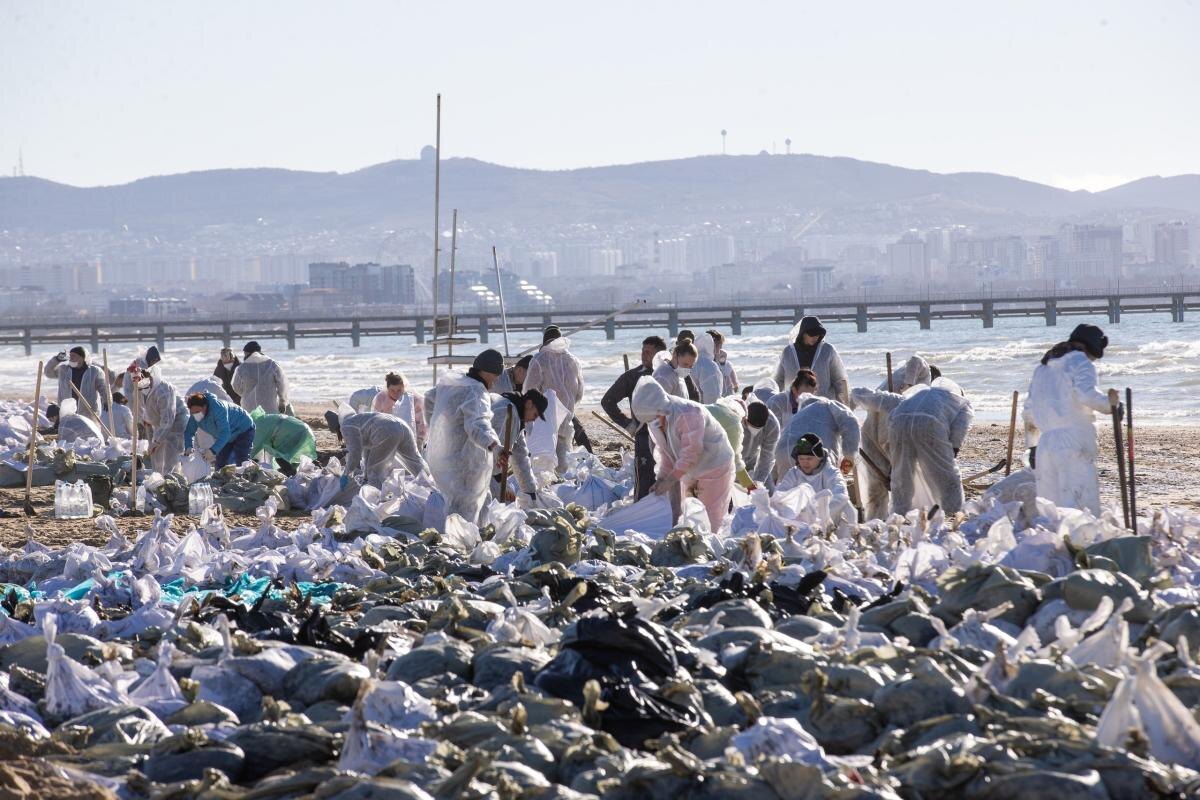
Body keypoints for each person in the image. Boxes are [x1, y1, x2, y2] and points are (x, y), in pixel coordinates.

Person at [1023, 323, 1114, 517]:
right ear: (1091, 349)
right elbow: (1086, 395)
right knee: (1080, 506)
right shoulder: (1080, 362)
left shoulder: (1042, 369)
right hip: (1073, 442)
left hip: (1045, 445)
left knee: (1050, 511)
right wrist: (1111, 406)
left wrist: (1032, 446)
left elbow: (1029, 411)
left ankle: (1054, 537)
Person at [631, 377, 735, 532]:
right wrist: (662, 479)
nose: (653, 421)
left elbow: (691, 452)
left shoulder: (687, 413)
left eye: (654, 417)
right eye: (650, 420)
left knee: (710, 516)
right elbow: (666, 454)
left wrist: (670, 480)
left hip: (714, 464)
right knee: (689, 514)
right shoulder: (655, 422)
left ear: (661, 409)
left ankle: (711, 544)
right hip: (689, 470)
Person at [425, 349, 505, 525]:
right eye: (495, 375)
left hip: (448, 456)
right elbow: (477, 424)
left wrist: (438, 429)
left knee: (476, 499)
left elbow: (429, 399)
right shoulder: (476, 391)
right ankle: (461, 537)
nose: (496, 381)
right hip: (467, 460)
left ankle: (475, 533)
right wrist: (494, 445)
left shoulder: (454, 384)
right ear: (486, 371)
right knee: (466, 504)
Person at [877, 378, 974, 516]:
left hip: (898, 423)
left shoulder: (920, 394)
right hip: (930, 424)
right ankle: (953, 513)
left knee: (901, 477)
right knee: (948, 478)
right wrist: (952, 451)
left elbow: (893, 416)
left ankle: (899, 515)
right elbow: (960, 427)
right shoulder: (962, 403)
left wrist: (894, 462)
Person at [852, 355, 932, 520]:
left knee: (886, 480)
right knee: (883, 482)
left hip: (876, 431)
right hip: (883, 431)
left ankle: (886, 519)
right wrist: (909, 385)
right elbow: (916, 360)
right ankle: (879, 521)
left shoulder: (894, 384)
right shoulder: (925, 377)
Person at [602, 336, 668, 500]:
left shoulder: (672, 375)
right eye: (642, 351)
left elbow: (692, 399)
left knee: (669, 479)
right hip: (644, 435)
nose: (643, 355)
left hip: (670, 436)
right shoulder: (633, 377)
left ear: (660, 354)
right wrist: (628, 424)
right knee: (644, 479)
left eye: (648, 352)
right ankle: (641, 508)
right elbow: (608, 401)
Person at [523, 326, 585, 473]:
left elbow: (529, 390)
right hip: (566, 415)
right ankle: (563, 481)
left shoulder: (539, 359)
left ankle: (551, 483)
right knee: (564, 456)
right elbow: (580, 392)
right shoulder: (573, 360)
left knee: (543, 459)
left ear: (545, 341)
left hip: (544, 417)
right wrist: (568, 407)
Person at [774, 382, 860, 483]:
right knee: (826, 487)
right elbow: (851, 422)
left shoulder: (799, 415)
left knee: (787, 490)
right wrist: (849, 456)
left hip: (783, 452)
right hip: (814, 453)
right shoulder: (829, 405)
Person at [776, 434, 854, 522]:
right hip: (798, 523)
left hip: (826, 523)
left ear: (819, 457)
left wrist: (816, 513)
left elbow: (841, 495)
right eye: (801, 459)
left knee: (847, 505)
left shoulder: (831, 473)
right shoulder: (793, 473)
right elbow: (780, 494)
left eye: (809, 459)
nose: (805, 463)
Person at [489, 389, 548, 503]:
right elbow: (491, 449)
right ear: (529, 404)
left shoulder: (518, 418)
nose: (533, 420)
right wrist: (500, 481)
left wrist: (531, 491)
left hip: (491, 470)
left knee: (507, 502)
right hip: (477, 466)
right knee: (501, 504)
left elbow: (521, 457)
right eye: (535, 414)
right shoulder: (506, 410)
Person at [773, 315, 848, 403]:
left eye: (818, 334)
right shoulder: (788, 352)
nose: (815, 337)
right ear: (803, 333)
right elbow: (779, 380)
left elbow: (840, 380)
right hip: (794, 405)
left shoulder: (827, 350)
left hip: (823, 404)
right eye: (811, 334)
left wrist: (844, 405)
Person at [341, 411, 427, 488]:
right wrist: (366, 477)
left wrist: (346, 474)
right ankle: (430, 483)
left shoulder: (346, 425)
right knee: (415, 461)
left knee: (374, 472)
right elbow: (368, 451)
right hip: (402, 425)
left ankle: (374, 496)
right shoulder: (359, 419)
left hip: (385, 430)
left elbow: (355, 453)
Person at [183, 391, 256, 469]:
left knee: (241, 459)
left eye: (197, 412)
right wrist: (189, 446)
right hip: (228, 435)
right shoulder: (195, 416)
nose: (195, 414)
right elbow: (189, 432)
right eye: (192, 412)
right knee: (221, 462)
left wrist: (212, 451)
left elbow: (225, 433)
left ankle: (248, 474)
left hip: (243, 428)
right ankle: (223, 476)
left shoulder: (218, 409)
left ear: (205, 406)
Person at [133, 369, 187, 475]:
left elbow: (168, 420)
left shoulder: (163, 391)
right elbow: (141, 409)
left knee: (171, 455)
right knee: (156, 455)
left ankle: (170, 478)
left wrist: (156, 441)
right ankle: (158, 476)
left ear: (150, 378)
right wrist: (145, 420)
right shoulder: (139, 389)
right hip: (158, 423)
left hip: (176, 423)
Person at [43, 347, 109, 426]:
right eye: (70, 356)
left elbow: (103, 387)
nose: (71, 358)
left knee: (88, 430)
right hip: (68, 410)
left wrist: (107, 400)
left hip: (88, 410)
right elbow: (48, 372)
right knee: (69, 430)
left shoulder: (94, 371)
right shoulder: (64, 370)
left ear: (82, 357)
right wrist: (57, 359)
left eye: (74, 356)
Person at [251, 412, 319, 478]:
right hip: (303, 430)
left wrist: (247, 460)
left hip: (294, 432)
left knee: (280, 457)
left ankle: (290, 474)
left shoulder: (257, 426)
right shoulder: (263, 419)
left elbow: (253, 448)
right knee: (288, 458)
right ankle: (292, 474)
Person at [232, 341, 288, 414]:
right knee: (269, 421)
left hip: (249, 406)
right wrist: (282, 400)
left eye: (245, 353)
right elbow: (282, 383)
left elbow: (236, 386)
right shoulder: (272, 364)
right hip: (269, 406)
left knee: (251, 421)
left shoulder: (242, 367)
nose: (244, 355)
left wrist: (246, 394)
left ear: (249, 353)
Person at [373, 372, 427, 446]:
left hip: (410, 437)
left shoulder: (414, 399)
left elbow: (422, 422)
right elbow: (375, 420)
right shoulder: (381, 399)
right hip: (387, 437)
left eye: (399, 390)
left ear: (404, 387)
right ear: (387, 388)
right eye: (392, 390)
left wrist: (420, 439)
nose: (396, 393)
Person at [741, 400, 780, 490]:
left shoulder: (772, 425)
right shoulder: (736, 420)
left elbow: (767, 457)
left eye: (758, 428)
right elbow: (732, 456)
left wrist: (759, 482)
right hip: (732, 462)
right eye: (752, 426)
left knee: (767, 491)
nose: (755, 431)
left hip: (752, 461)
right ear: (745, 418)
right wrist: (746, 482)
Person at [766, 368, 819, 433]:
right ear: (794, 390)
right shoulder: (776, 403)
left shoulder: (813, 405)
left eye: (810, 396)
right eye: (803, 395)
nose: (806, 399)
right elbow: (773, 432)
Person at [692, 332, 725, 404]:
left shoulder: (691, 360)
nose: (718, 352)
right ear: (712, 345)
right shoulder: (708, 365)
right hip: (701, 408)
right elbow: (713, 396)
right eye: (719, 348)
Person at [707, 329, 739, 396]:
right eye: (719, 345)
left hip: (724, 391)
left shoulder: (724, 363)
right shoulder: (707, 363)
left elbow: (731, 373)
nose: (720, 348)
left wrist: (735, 384)